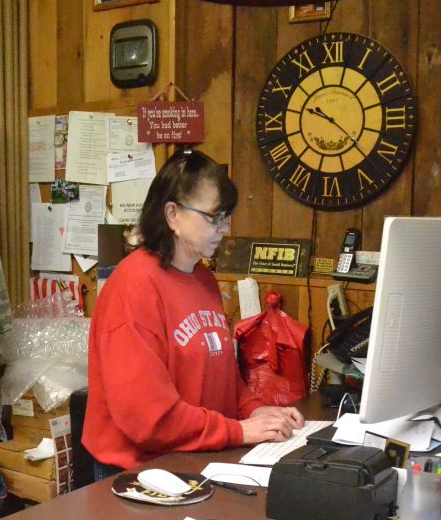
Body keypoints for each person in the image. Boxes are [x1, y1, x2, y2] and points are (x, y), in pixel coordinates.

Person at [84, 147, 305, 478]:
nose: (226, 229)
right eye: (215, 217)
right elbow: (149, 418)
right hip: (140, 473)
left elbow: (223, 378)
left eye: (226, 217)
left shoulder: (203, 279)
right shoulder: (133, 287)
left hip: (194, 459)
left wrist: (256, 412)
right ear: (173, 215)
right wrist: (238, 431)